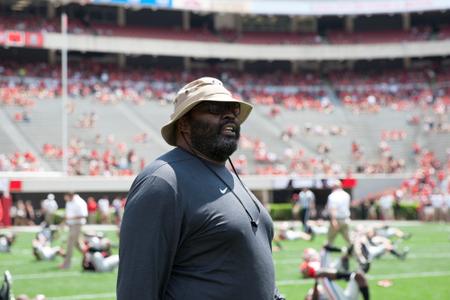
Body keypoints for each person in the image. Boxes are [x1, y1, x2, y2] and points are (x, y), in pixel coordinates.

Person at [118, 77, 284, 300]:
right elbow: (137, 291)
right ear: (184, 124)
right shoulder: (164, 180)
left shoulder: (231, 176)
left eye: (233, 109)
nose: (229, 116)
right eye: (215, 108)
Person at [60, 192, 87, 269]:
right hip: (71, 225)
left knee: (70, 243)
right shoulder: (69, 202)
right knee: (77, 244)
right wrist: (63, 223)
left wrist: (70, 218)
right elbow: (67, 214)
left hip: (77, 225)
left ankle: (66, 265)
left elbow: (83, 215)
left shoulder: (79, 202)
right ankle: (88, 256)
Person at [325, 180, 352, 248]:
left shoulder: (332, 196)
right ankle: (359, 255)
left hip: (337, 220)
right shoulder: (346, 195)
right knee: (349, 240)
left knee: (329, 240)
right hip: (345, 219)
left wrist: (334, 220)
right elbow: (348, 207)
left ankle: (325, 257)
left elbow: (333, 208)